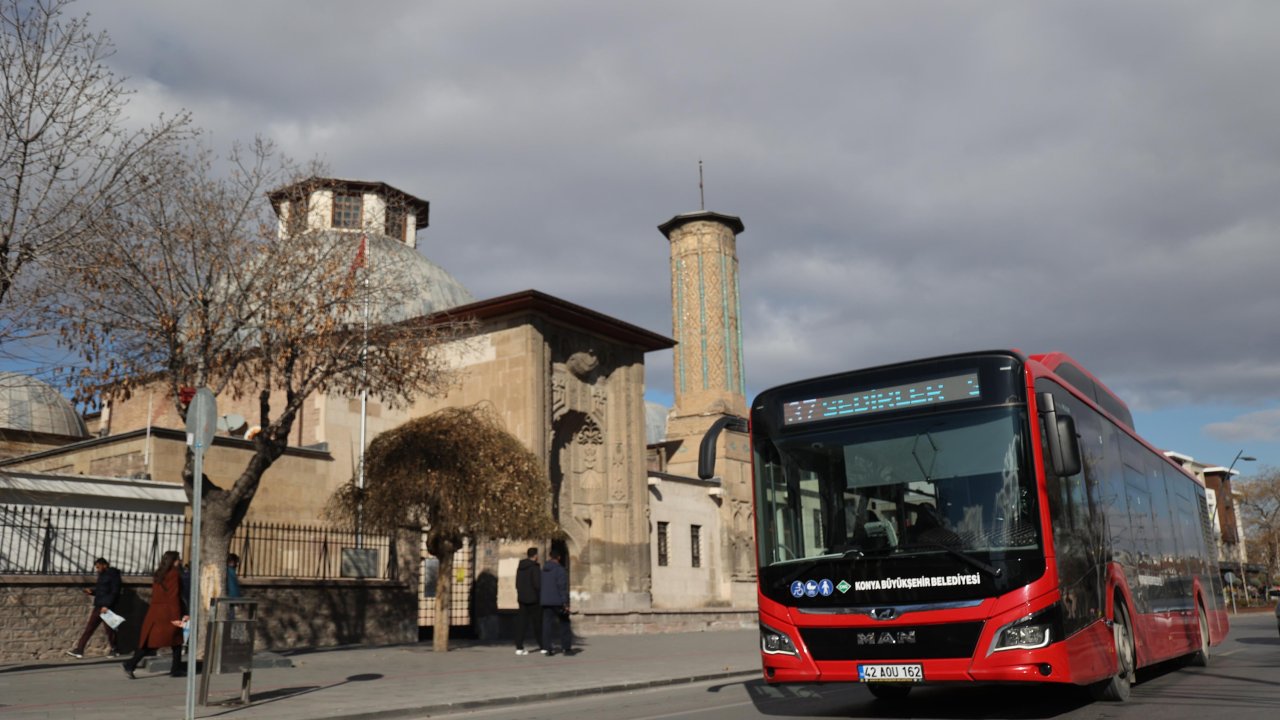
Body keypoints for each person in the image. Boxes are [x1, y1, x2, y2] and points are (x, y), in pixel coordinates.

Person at [123, 550, 186, 679]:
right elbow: (173, 596)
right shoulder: (174, 574)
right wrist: (176, 617)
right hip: (168, 612)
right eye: (178, 559)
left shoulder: (159, 574)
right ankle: (131, 663)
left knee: (159, 642)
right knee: (174, 641)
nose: (179, 561)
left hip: (155, 611)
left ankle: (132, 663)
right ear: (174, 561)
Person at [66, 558, 122, 658]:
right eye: (96, 567)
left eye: (98, 567)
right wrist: (92, 591)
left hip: (106, 608)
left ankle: (115, 649)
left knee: (110, 630)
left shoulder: (113, 576)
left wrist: (106, 606)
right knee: (89, 628)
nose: (97, 569)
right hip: (99, 606)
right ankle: (79, 650)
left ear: (104, 565)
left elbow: (114, 592)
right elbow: (102, 591)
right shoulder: (102, 576)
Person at [540, 549, 572, 656]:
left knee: (547, 625)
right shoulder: (560, 570)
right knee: (564, 623)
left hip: (545, 601)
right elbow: (562, 587)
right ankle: (566, 648)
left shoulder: (544, 570)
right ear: (558, 557)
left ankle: (548, 648)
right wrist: (565, 603)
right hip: (557, 601)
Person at [514, 547, 542, 655]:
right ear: (535, 556)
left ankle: (519, 647)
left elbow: (517, 583)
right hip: (533, 599)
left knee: (521, 623)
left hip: (522, 598)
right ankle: (543, 645)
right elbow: (537, 584)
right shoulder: (535, 567)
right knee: (537, 623)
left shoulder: (520, 567)